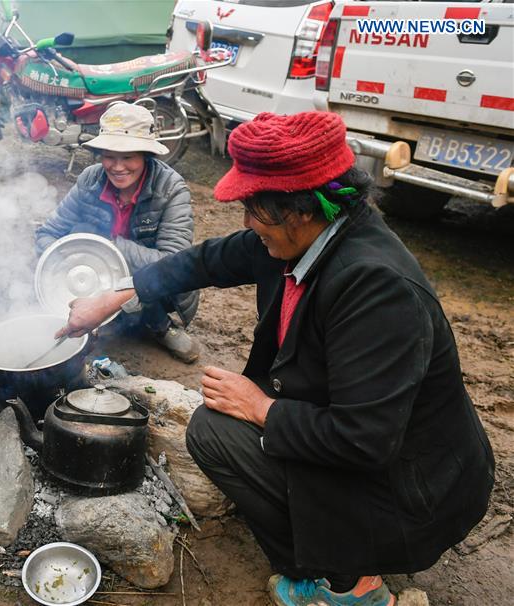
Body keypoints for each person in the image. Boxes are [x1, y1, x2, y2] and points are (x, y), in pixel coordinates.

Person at [55, 111, 495, 605]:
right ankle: (322, 544)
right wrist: (115, 295)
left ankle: (350, 585)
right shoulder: (297, 239)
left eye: (253, 207)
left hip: (413, 489)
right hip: (359, 439)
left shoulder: (376, 288)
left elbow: (365, 440)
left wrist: (260, 408)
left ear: (301, 207)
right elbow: (204, 261)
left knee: (222, 428)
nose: (245, 222)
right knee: (213, 427)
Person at [35, 102, 200, 363]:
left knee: (151, 281)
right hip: (91, 277)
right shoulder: (90, 179)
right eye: (109, 156)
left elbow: (174, 264)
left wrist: (108, 245)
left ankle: (159, 325)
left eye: (128, 157)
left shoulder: (171, 189)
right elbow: (48, 233)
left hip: (147, 284)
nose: (117, 166)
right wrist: (63, 262)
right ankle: (93, 317)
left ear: (146, 155)